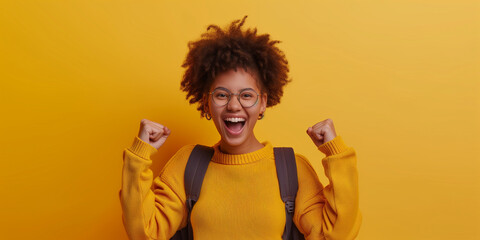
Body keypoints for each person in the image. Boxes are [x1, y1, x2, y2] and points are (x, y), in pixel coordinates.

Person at [120, 16, 362, 240]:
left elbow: (337, 235)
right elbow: (145, 233)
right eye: (222, 95)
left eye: (246, 95)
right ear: (206, 102)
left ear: (263, 103)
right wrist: (139, 156)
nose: (234, 105)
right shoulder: (188, 165)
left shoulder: (291, 170)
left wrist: (337, 154)